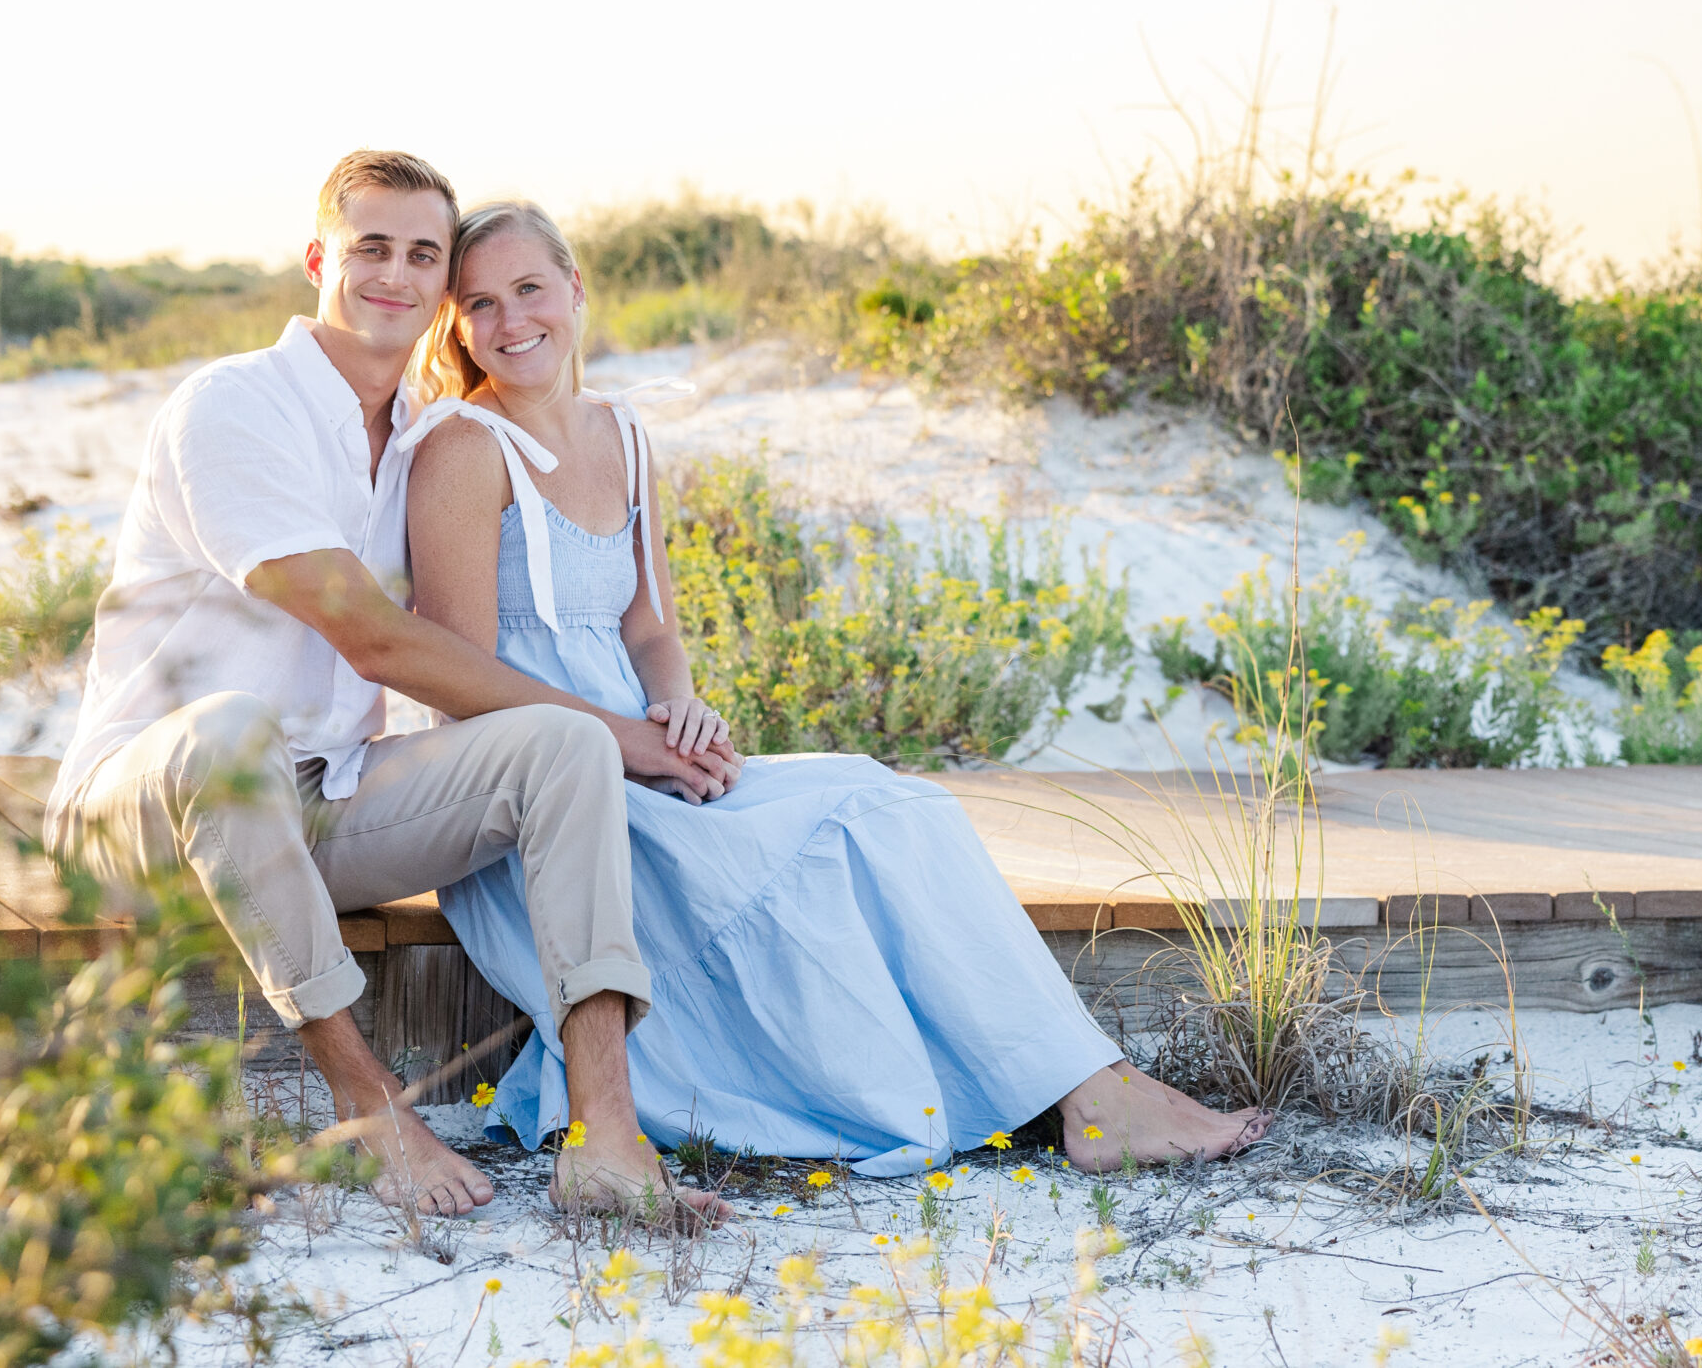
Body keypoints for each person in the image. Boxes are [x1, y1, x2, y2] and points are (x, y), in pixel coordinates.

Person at [399, 201, 1271, 1176]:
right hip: (540, 806)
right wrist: (628, 746)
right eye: (479, 303)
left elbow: (648, 627)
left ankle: (1088, 1093)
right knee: (829, 827)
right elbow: (465, 692)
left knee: (896, 802)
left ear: (575, 289)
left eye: (527, 288)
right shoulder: (463, 449)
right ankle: (1075, 1096)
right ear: (457, 325)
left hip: (639, 755)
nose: (510, 321)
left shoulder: (622, 432)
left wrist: (678, 711)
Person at [45, 152, 737, 1223]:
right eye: (372, 247)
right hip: (149, 807)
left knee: (564, 748)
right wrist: (632, 730)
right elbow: (369, 636)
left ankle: (606, 1135)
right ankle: (372, 1112)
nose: (397, 275)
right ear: (320, 258)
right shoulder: (233, 408)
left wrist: (626, 723)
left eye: (425, 255)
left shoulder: (416, 438)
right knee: (230, 731)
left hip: (327, 801)